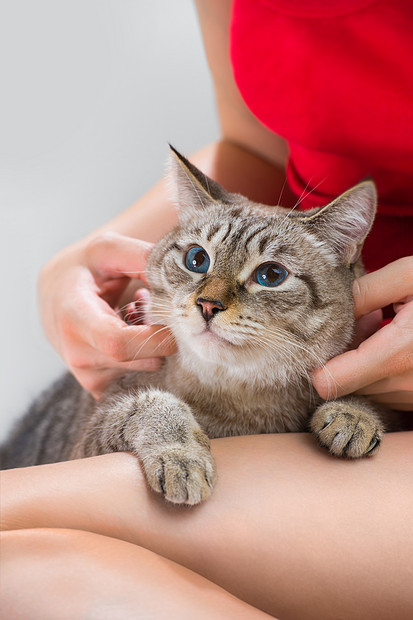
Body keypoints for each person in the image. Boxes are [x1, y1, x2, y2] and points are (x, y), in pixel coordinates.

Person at [1, 1, 412, 618]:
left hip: (380, 404)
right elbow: (252, 146)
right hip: (325, 315)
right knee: (33, 572)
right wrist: (72, 265)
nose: (212, 301)